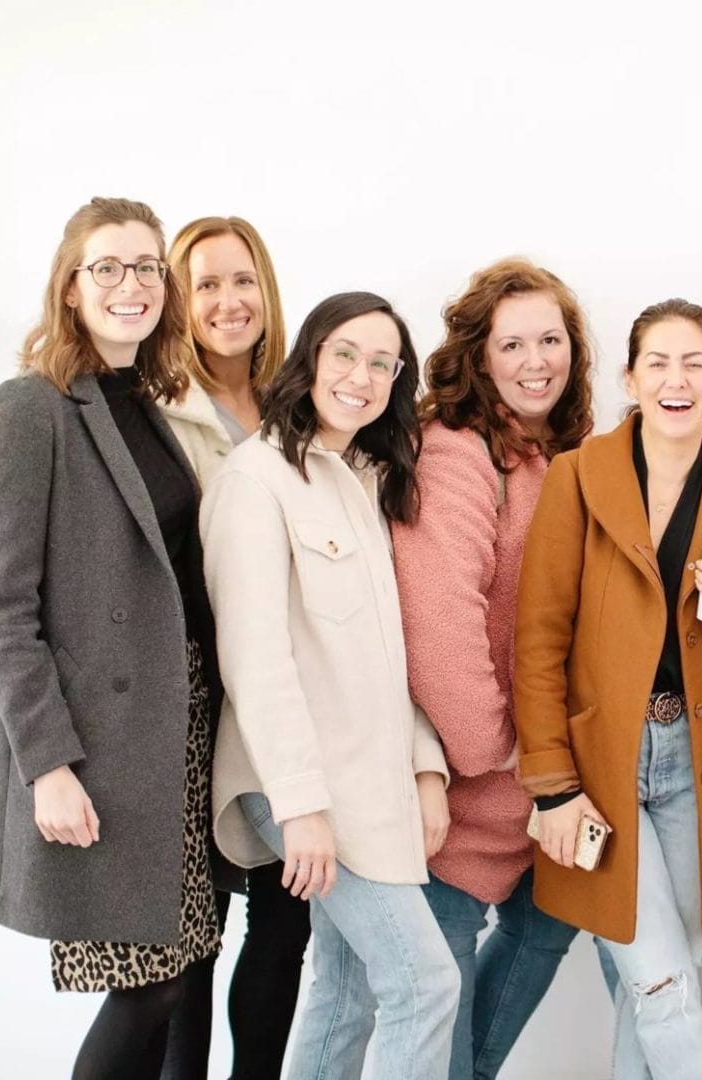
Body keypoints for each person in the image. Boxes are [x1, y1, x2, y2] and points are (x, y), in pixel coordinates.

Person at [0, 196, 220, 1079]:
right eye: (108, 267)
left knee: (189, 974)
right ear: (70, 287)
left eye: (149, 266)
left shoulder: (144, 402)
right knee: (147, 983)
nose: (132, 284)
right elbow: (5, 609)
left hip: (180, 732)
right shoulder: (30, 409)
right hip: (103, 752)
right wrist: (46, 764)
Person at [514, 299, 702, 1080]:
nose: (677, 380)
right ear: (631, 378)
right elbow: (538, 641)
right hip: (601, 764)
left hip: (696, 765)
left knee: (662, 987)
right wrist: (552, 787)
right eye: (658, 363)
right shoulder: (577, 478)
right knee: (664, 986)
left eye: (694, 363)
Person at [201, 292, 460, 1079]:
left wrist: (426, 769)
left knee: (347, 991)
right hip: (303, 788)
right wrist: (301, 805)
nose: (363, 375)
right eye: (346, 353)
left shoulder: (364, 480)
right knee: (426, 982)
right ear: (309, 357)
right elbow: (254, 659)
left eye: (385, 363)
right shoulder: (254, 480)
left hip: (370, 786)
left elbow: (388, 656)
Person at [391, 259, 594, 1080]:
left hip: (545, 801)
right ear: (478, 356)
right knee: (430, 1034)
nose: (535, 360)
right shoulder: (456, 452)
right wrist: (511, 757)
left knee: (547, 927)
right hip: (464, 804)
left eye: (551, 339)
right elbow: (439, 629)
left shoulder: (563, 455)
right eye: (512, 343)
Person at [156, 214, 306, 1080]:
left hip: (286, 694)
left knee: (287, 920)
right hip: (197, 696)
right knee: (196, 933)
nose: (227, 300)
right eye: (205, 283)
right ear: (179, 300)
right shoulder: (157, 409)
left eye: (242, 280)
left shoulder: (299, 399)